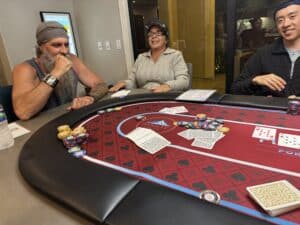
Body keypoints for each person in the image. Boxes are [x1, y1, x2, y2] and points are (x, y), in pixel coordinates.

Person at [12, 21, 108, 120]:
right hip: (40, 126)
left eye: (66, 45)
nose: (64, 51)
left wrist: (90, 98)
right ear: (41, 47)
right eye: (56, 45)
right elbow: (23, 112)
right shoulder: (25, 69)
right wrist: (56, 73)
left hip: (69, 118)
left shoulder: (72, 59)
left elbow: (100, 84)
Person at [231, 0, 300, 97]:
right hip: (270, 111)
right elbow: (235, 88)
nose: (285, 24)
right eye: (280, 20)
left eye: (292, 17)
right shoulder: (264, 54)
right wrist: (255, 80)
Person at [109, 20, 189, 93]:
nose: (153, 36)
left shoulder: (175, 55)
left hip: (167, 96)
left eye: (158, 34)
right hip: (144, 97)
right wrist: (124, 83)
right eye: (151, 34)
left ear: (166, 40)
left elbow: (184, 81)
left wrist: (168, 86)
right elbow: (132, 82)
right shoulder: (141, 57)